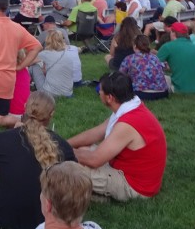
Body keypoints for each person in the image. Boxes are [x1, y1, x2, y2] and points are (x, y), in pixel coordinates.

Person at [0, 92, 76, 229]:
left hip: (5, 218)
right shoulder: (63, 146)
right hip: (49, 219)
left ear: (25, 107)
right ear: (51, 114)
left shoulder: (2, 138)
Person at [68, 72, 167, 201]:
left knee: (65, 168)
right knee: (81, 150)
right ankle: (93, 194)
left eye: (100, 90)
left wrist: (61, 150)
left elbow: (95, 160)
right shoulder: (131, 107)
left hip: (134, 186)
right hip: (129, 172)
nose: (98, 93)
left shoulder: (127, 123)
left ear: (109, 98)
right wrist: (63, 143)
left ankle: (94, 195)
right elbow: (96, 133)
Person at [157, 21, 195, 94]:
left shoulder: (168, 46)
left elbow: (152, 65)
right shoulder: (194, 46)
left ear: (173, 33)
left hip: (178, 89)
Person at [119, 34, 169, 101]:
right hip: (162, 93)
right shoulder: (155, 57)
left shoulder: (129, 59)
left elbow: (120, 75)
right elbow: (165, 67)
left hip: (141, 93)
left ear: (135, 46)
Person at [30, 30, 74, 98]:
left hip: (49, 93)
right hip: (68, 93)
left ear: (48, 40)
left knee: (34, 66)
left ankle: (24, 85)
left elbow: (28, 62)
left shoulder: (45, 54)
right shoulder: (69, 53)